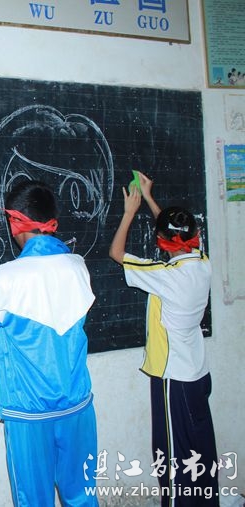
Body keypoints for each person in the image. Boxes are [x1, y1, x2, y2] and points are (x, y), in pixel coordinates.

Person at [0, 179, 98, 506]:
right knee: (82, 494)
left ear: (15, 221)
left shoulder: (8, 277)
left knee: (33, 499)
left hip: (30, 412)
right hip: (77, 404)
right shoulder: (78, 266)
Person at [109, 172, 217, 506]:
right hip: (197, 373)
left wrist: (130, 212)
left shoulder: (166, 276)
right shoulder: (202, 262)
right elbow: (175, 234)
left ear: (161, 242)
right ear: (195, 236)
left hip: (174, 379)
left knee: (173, 458)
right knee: (200, 450)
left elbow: (117, 253)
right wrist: (150, 198)